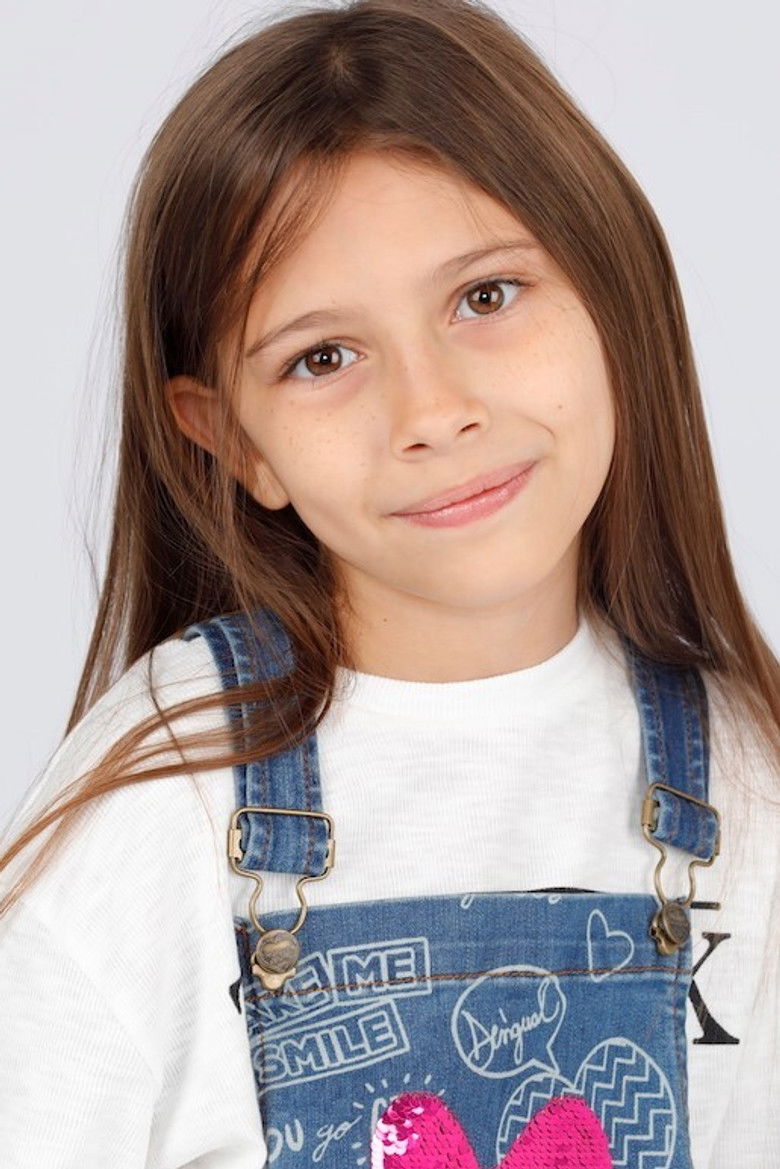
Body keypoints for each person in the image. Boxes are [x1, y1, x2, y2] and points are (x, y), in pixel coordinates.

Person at [0, 0, 777, 1166]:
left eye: (486, 296)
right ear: (235, 441)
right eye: (323, 357)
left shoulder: (752, 781)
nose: (432, 410)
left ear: (611, 295)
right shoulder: (169, 806)